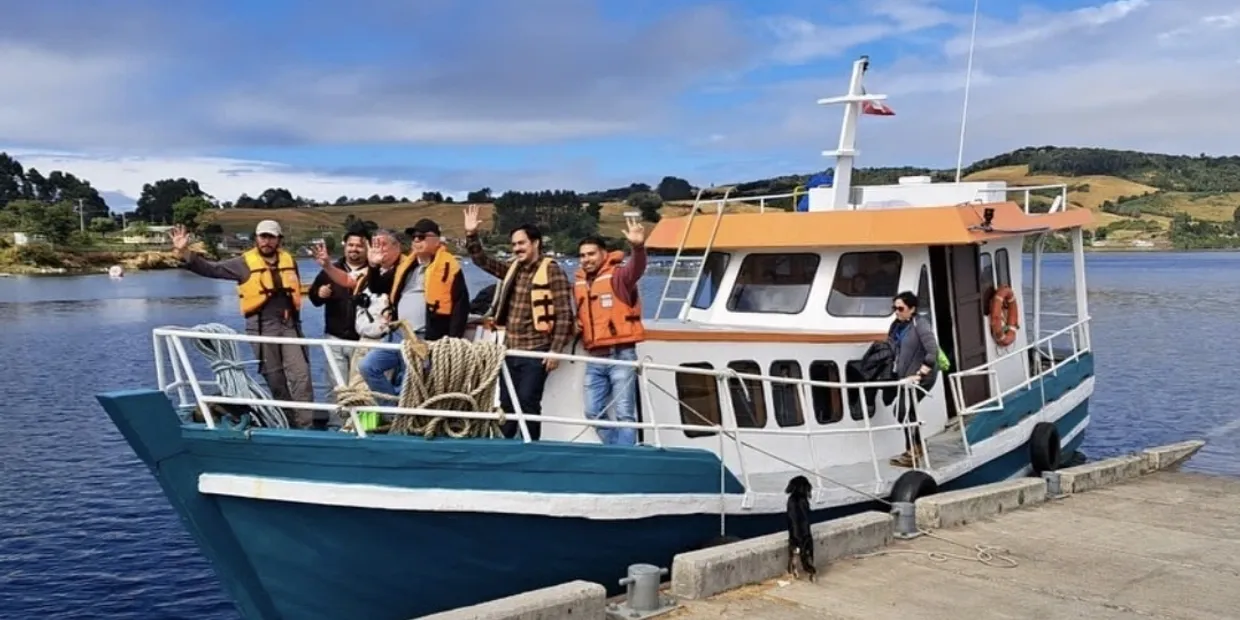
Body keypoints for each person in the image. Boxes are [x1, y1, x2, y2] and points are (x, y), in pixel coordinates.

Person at [168, 220, 317, 429]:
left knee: (301, 375)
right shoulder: (243, 263)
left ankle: (305, 426)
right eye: (262, 236)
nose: (266, 241)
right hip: (261, 327)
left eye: (271, 237)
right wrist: (185, 252)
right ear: (256, 238)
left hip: (289, 325)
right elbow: (212, 269)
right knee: (275, 379)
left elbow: (294, 293)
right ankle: (288, 424)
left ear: (279, 240)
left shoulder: (289, 260)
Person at [312, 220, 470, 397]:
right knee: (368, 367)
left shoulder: (448, 268)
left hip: (426, 338)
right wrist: (371, 265)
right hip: (397, 335)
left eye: (422, 237)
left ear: (437, 240)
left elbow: (460, 305)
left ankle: (403, 414)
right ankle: (392, 410)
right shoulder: (407, 267)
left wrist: (452, 341)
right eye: (414, 237)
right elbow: (376, 286)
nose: (417, 240)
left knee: (412, 384)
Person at [463, 205, 574, 441]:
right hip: (511, 349)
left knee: (527, 401)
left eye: (521, 243)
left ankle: (530, 447)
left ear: (536, 243)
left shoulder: (552, 271)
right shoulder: (514, 269)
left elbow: (565, 314)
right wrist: (472, 235)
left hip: (536, 351)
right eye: (514, 245)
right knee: (506, 403)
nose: (516, 249)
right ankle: (506, 448)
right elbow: (483, 261)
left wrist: (555, 350)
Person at [574, 216, 648, 445]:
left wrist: (637, 247)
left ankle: (625, 458)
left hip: (621, 354)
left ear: (604, 254)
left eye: (591, 254)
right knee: (592, 411)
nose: (586, 259)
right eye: (583, 255)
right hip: (595, 357)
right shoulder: (579, 283)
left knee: (625, 413)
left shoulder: (619, 277)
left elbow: (636, 268)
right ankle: (618, 450)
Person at [308, 229, 369, 383]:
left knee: (363, 389)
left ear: (367, 247)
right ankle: (338, 409)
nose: (354, 249)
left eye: (359, 246)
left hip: (364, 341)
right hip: (335, 338)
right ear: (345, 246)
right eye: (351, 245)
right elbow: (314, 299)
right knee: (338, 388)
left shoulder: (375, 272)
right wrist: (319, 293)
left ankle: (365, 409)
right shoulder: (329, 269)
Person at [887, 290, 940, 467]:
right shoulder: (896, 326)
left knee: (903, 410)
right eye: (894, 308)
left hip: (922, 377)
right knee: (904, 411)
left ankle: (913, 451)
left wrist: (919, 374)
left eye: (900, 308)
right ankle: (915, 448)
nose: (897, 312)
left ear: (912, 309)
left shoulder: (920, 324)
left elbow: (933, 351)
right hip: (905, 377)